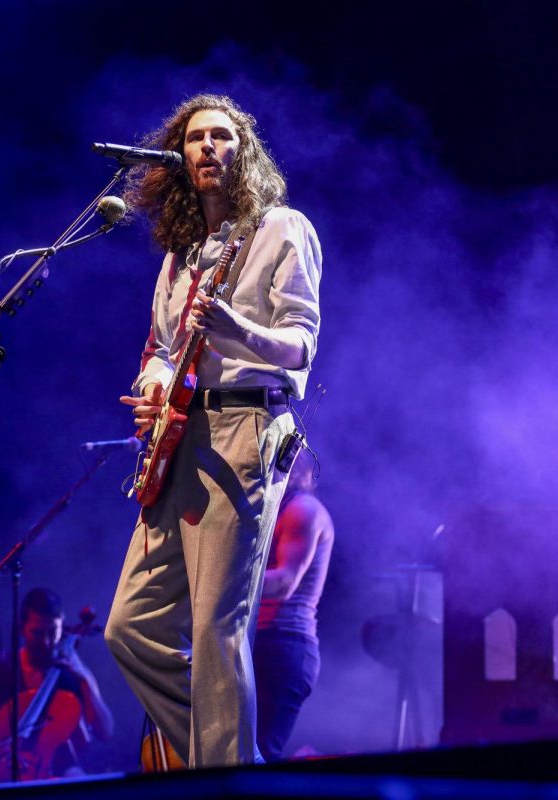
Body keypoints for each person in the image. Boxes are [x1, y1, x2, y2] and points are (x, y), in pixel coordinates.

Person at [104, 93, 322, 769]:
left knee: (214, 626)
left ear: (243, 150)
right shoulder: (181, 255)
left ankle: (225, 777)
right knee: (129, 628)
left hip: (247, 426)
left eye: (222, 137)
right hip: (182, 437)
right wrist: (152, 389)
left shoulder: (283, 229)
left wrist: (237, 329)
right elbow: (163, 351)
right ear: (177, 156)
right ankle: (229, 765)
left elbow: (300, 345)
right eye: (195, 138)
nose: (207, 147)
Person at [0, 587, 114, 784]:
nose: (46, 642)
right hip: (0, 759)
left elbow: (105, 731)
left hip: (58, 763)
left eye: (53, 632)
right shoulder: (1, 665)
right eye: (37, 633)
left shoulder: (75, 672)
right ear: (21, 628)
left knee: (79, 785)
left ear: (62, 627)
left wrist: (83, 679)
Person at [254, 451, 334, 762]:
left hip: (284, 647)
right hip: (264, 644)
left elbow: (285, 583)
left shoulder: (303, 510)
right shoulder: (273, 511)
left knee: (258, 754)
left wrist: (221, 579)